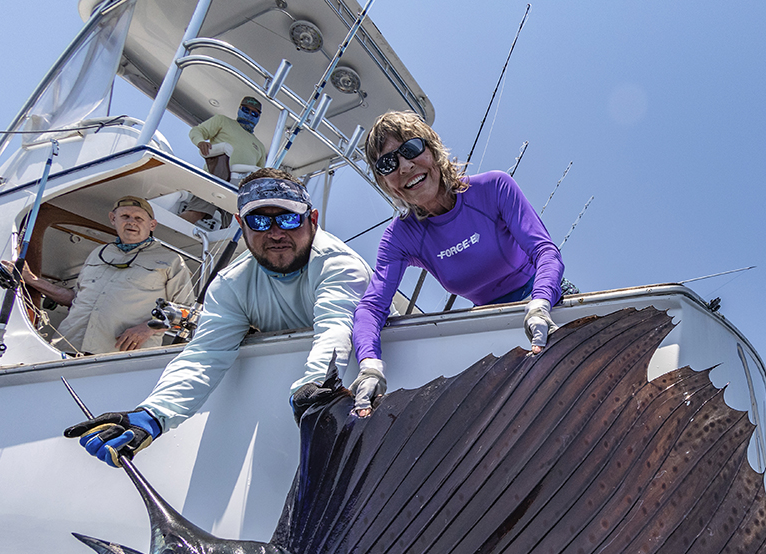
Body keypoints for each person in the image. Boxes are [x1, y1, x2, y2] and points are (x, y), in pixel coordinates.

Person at [63, 168, 373, 467]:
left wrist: (316, 384)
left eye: (289, 218)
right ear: (241, 223)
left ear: (313, 220)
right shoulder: (231, 284)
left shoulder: (338, 264)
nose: (276, 233)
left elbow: (337, 326)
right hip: (294, 415)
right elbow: (205, 355)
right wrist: (153, 415)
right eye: (260, 221)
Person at [350, 111, 564, 416]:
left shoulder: (493, 188)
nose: (405, 166)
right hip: (488, 320)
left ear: (433, 150)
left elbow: (545, 252)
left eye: (411, 149)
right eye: (388, 163)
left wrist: (541, 302)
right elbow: (371, 308)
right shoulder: (400, 237)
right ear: (385, 182)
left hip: (548, 300)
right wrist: (370, 366)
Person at [11, 196, 194, 354]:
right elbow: (75, 298)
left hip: (117, 359)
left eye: (139, 218)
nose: (132, 222)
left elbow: (187, 313)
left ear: (152, 225)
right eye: (125, 216)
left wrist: (146, 329)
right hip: (66, 348)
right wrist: (31, 279)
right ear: (113, 219)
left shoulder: (171, 260)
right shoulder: (98, 253)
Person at [181, 96, 269, 228]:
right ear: (239, 109)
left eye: (254, 114)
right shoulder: (222, 121)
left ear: (258, 118)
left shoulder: (260, 147)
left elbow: (259, 176)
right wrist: (200, 142)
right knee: (195, 213)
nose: (249, 115)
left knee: (230, 228)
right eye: (246, 110)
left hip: (237, 191)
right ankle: (163, 234)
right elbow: (198, 131)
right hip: (215, 179)